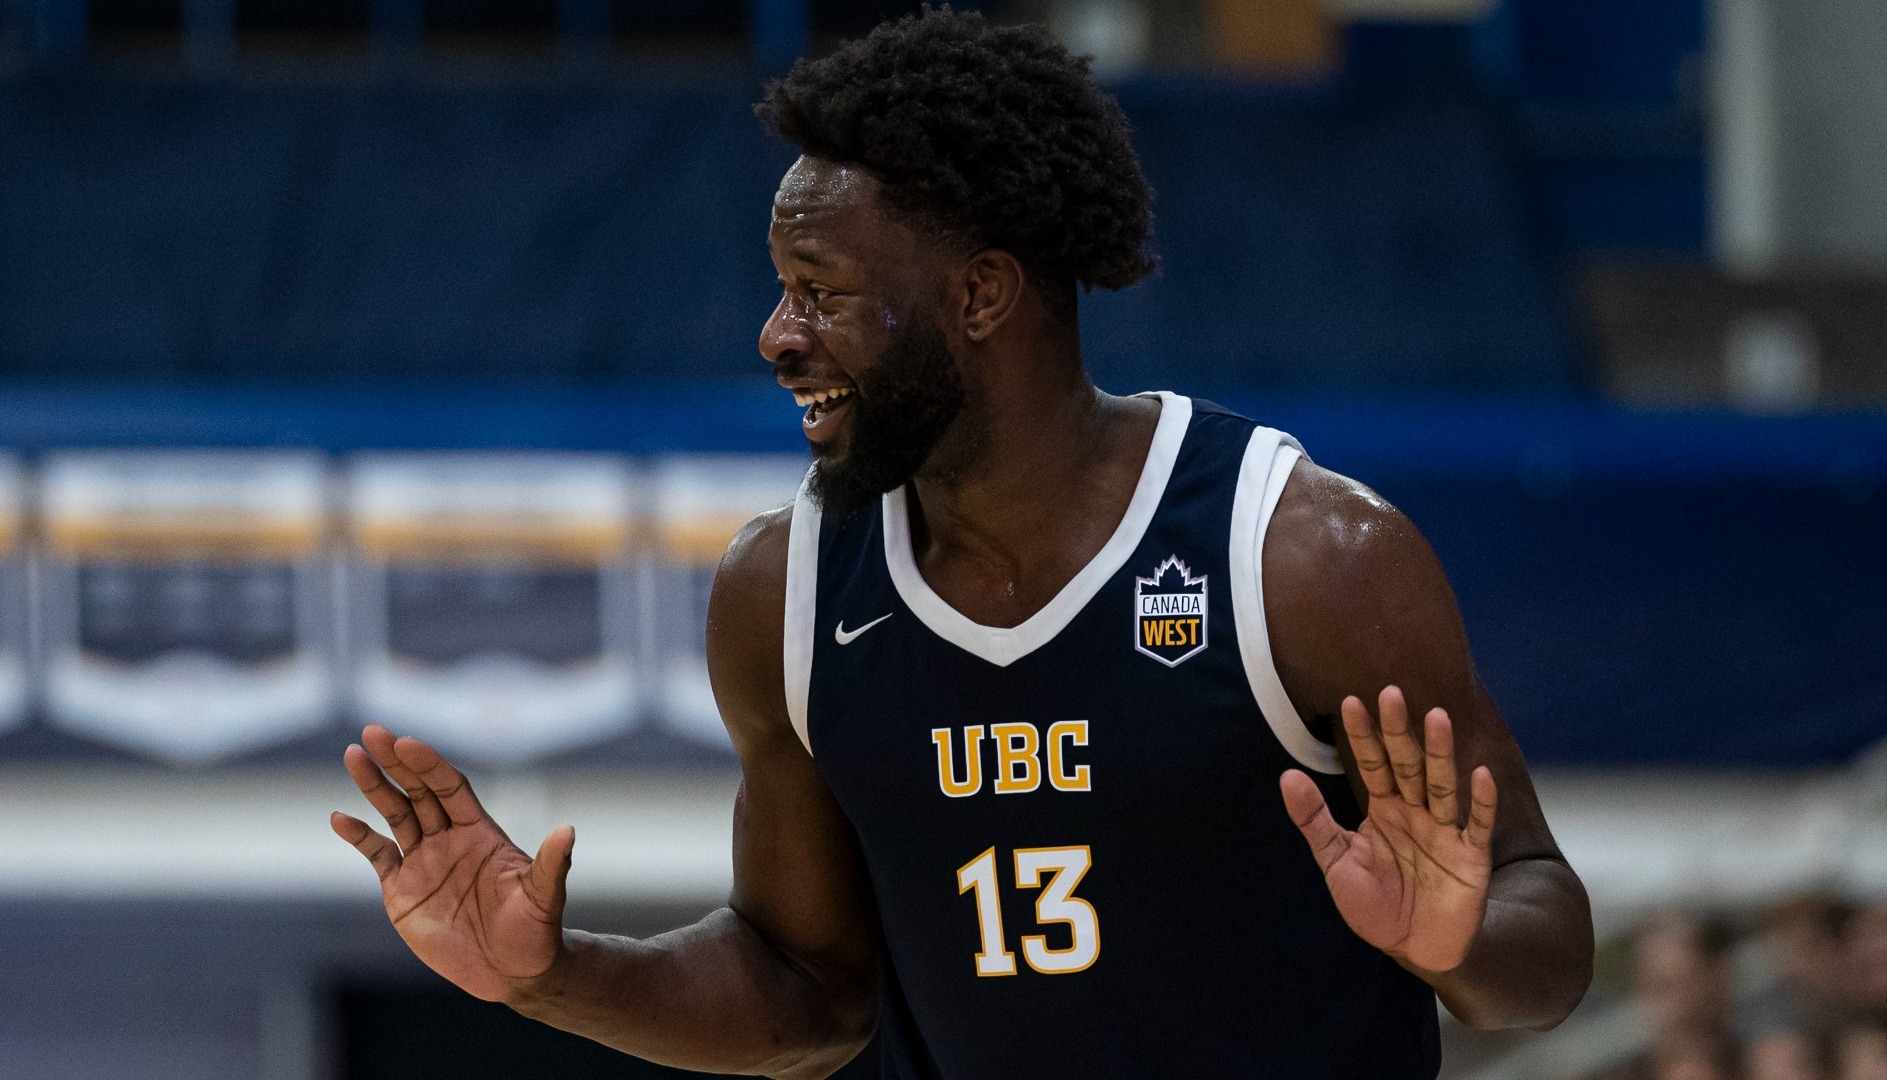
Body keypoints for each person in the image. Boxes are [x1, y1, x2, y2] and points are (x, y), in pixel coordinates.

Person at [329, 9, 1593, 1078]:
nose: (777, 335)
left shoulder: (1301, 558)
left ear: (981, 296)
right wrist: (544, 975)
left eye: (822, 292)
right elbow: (809, 994)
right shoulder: (785, 596)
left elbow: (1548, 943)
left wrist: (1458, 944)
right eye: (781, 289)